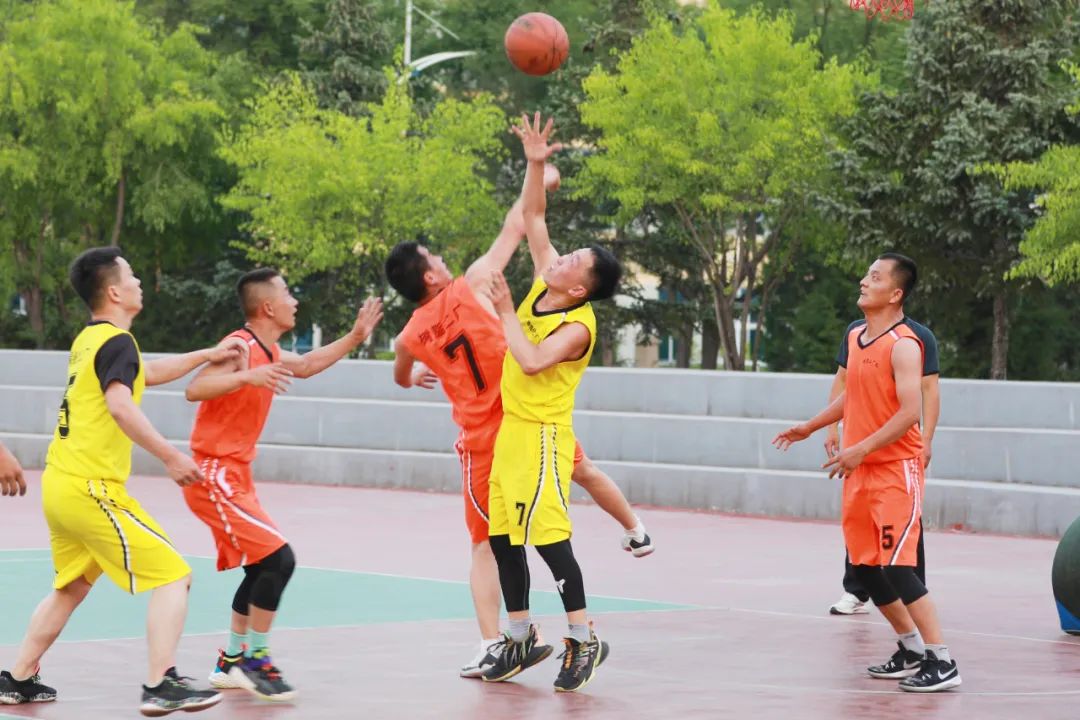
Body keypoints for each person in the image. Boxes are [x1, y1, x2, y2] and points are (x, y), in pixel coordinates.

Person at [387, 164, 652, 680]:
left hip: (501, 431)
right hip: (517, 420)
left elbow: (401, 373)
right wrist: (538, 173)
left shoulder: (412, 333)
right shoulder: (475, 283)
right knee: (568, 484)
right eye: (433, 257)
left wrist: (415, 374)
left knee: (498, 542)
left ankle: (513, 639)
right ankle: (633, 530)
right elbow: (521, 222)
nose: (441, 258)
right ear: (431, 275)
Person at [0, 246, 243, 715]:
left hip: (61, 485)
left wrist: (206, 354)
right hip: (91, 487)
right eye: (132, 276)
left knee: (71, 587)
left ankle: (18, 678)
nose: (139, 283)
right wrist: (171, 456)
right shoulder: (117, 342)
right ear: (114, 291)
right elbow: (120, 405)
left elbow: (143, 375)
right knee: (174, 575)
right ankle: (160, 683)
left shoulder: (90, 341)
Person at [182, 270, 382, 701]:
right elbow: (195, 389)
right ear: (268, 306)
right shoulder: (239, 346)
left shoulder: (269, 349)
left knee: (261, 567)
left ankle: (231, 661)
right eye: (288, 293)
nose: (295, 300)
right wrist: (246, 377)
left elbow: (306, 365)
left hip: (236, 473)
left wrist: (355, 336)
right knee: (280, 560)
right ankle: (256, 660)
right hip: (214, 473)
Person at [477, 113, 622, 693]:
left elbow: (534, 360)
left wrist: (504, 311)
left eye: (570, 263)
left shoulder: (578, 326)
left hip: (542, 437)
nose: (558, 259)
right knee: (503, 538)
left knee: (549, 541)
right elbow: (534, 216)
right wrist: (535, 164)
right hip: (511, 434)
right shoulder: (547, 280)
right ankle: (519, 636)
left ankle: (584, 638)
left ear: (579, 287)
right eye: (565, 255)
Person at [773, 253, 961, 693]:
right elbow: (854, 395)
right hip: (860, 472)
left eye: (874, 277)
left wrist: (860, 448)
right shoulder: (857, 336)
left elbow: (910, 411)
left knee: (898, 568)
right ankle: (911, 649)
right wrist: (811, 426)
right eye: (865, 275)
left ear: (895, 293)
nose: (863, 281)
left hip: (895, 471)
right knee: (866, 567)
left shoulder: (904, 344)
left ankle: (943, 661)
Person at [827, 317, 939, 616]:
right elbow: (844, 381)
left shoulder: (915, 338)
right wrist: (828, 427)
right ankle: (857, 591)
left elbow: (929, 389)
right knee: (860, 538)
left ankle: (915, 600)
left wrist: (927, 439)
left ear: (895, 294)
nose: (863, 291)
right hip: (862, 458)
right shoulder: (856, 333)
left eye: (874, 283)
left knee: (904, 535)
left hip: (896, 461)